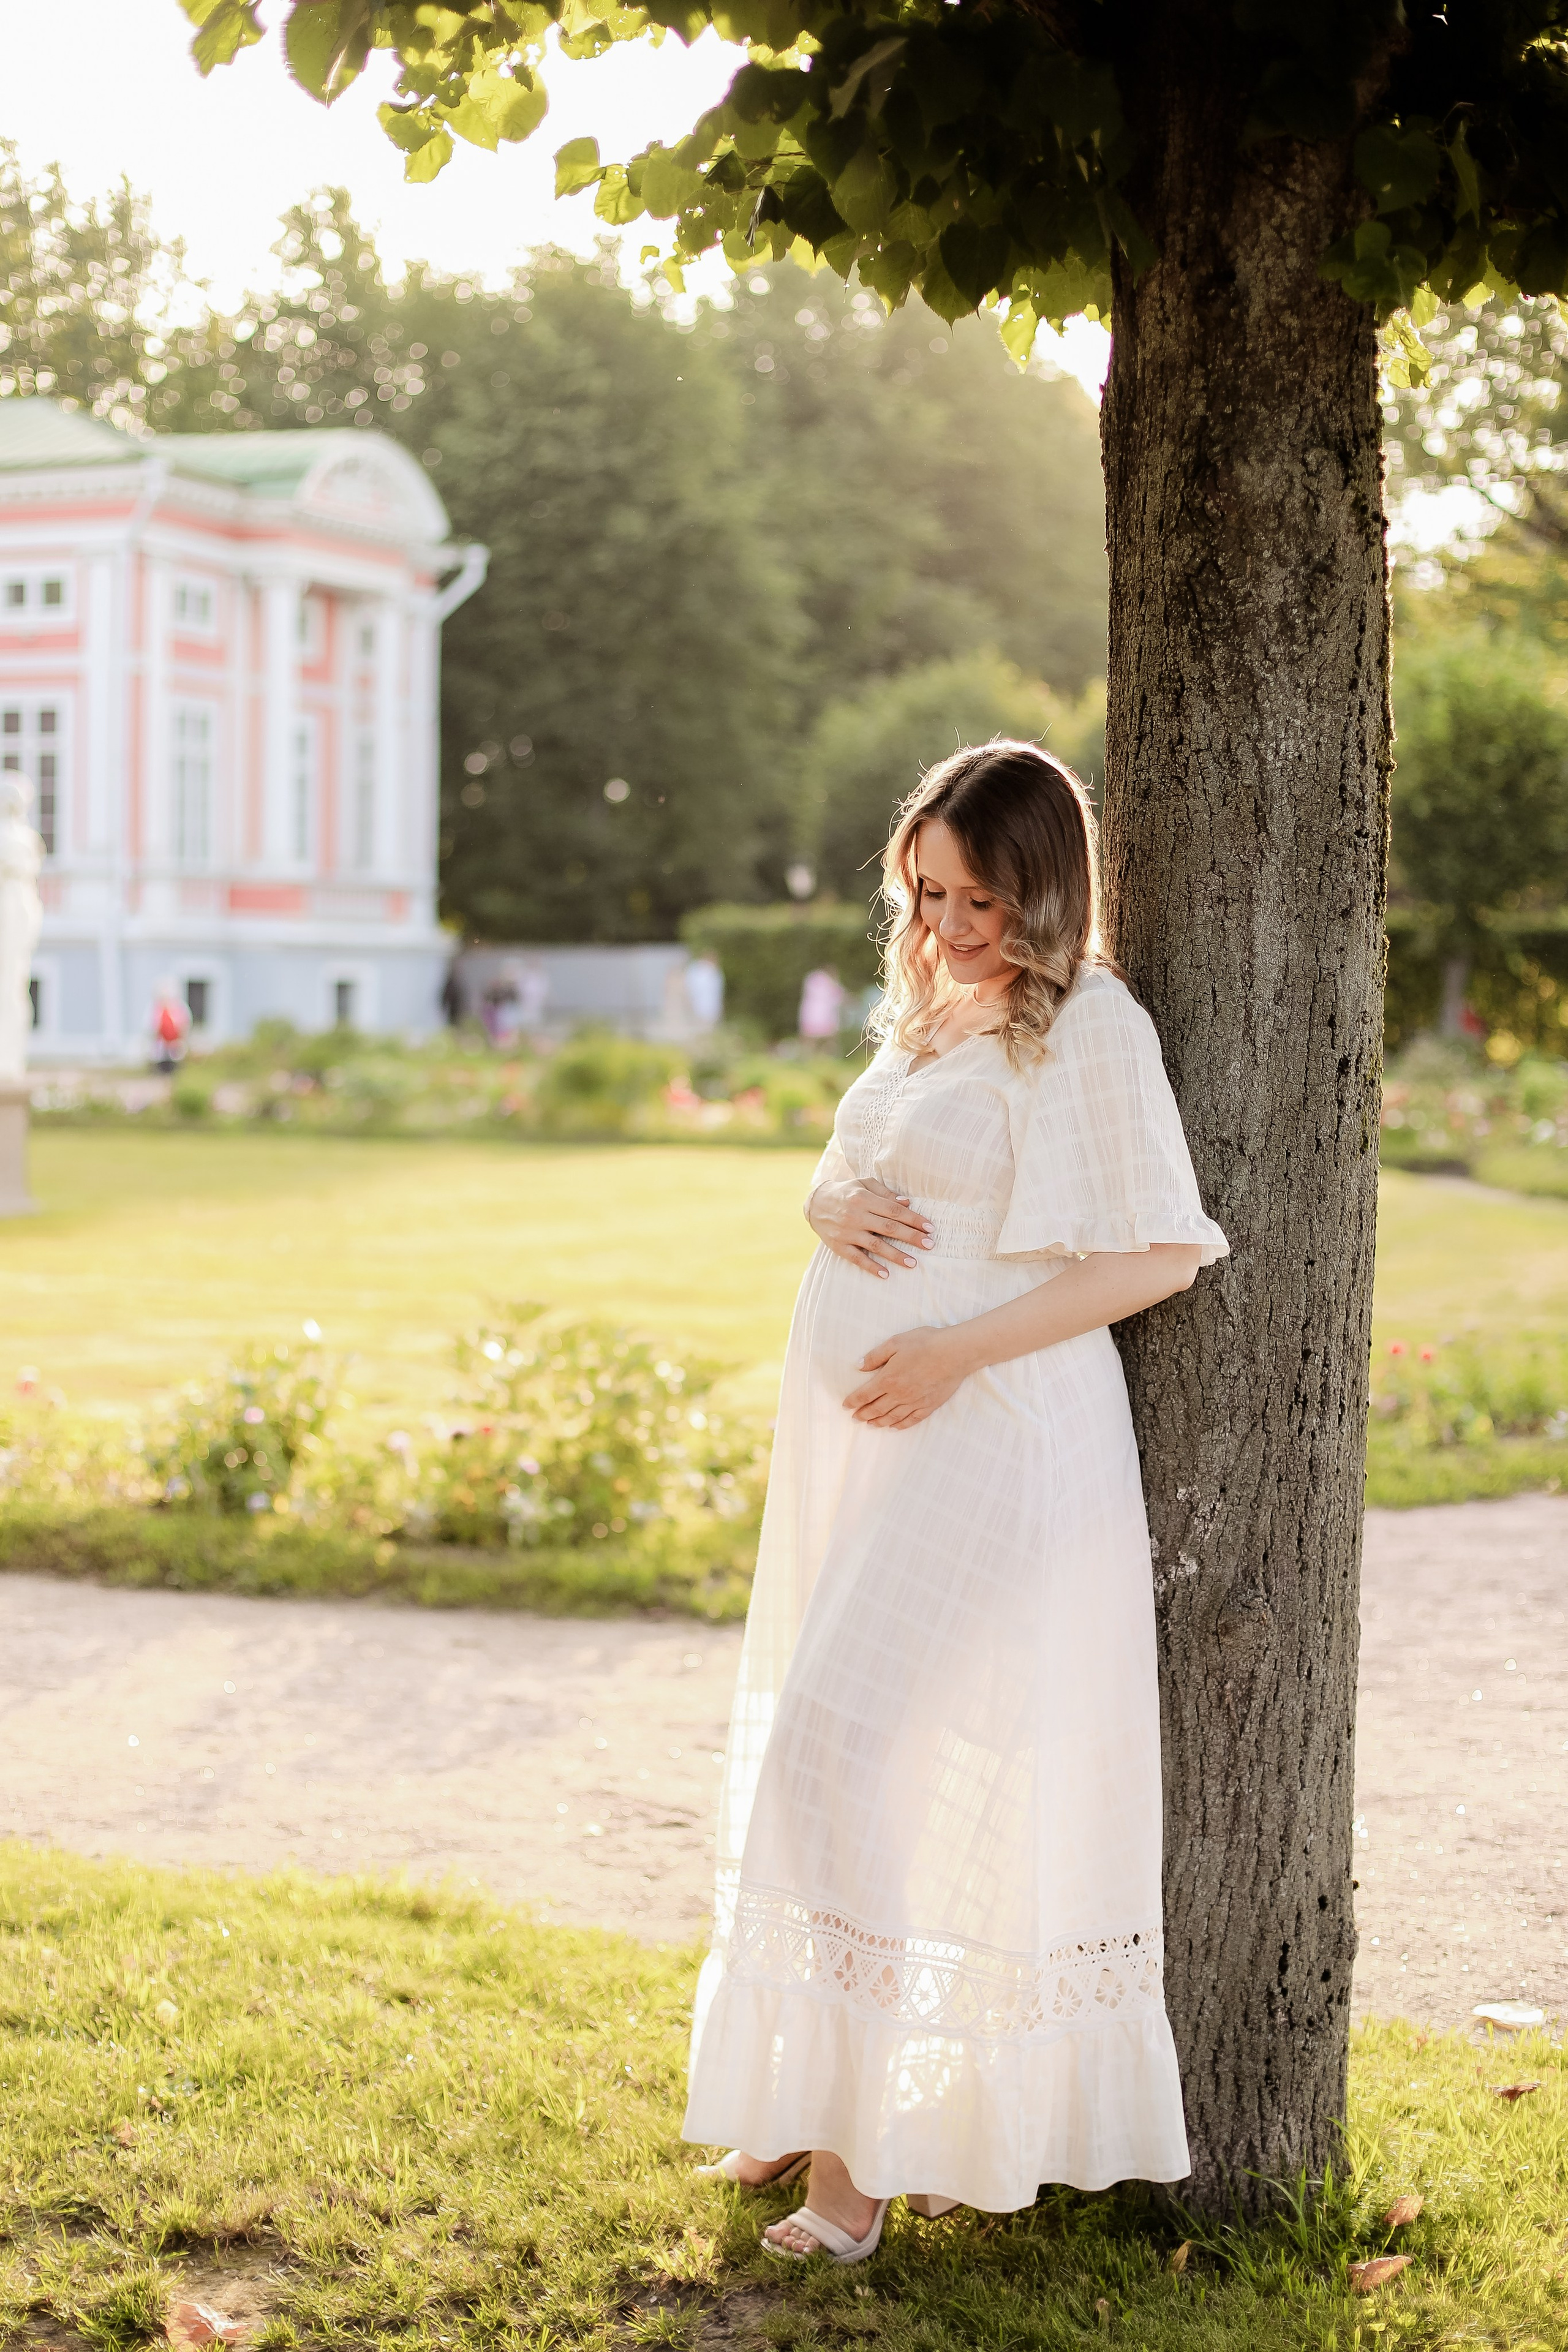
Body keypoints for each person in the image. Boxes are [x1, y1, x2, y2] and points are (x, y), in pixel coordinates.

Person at [684, 740, 1229, 2261]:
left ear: (1047, 886)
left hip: (996, 1432)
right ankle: (816, 2091)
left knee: (839, 1749)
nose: (949, 922)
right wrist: (818, 1200)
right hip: (885, 1438)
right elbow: (862, 1164)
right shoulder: (928, 1008)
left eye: (981, 896)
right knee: (844, 1751)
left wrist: (945, 1353)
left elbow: (1156, 1255)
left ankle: (856, 2172)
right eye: (926, 891)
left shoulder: (1091, 1028)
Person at [797, 963, 846, 1043]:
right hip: (820, 1014)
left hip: (817, 1014)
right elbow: (840, 996)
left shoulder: (813, 979)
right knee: (825, 1039)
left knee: (813, 1038)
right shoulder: (827, 982)